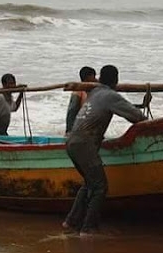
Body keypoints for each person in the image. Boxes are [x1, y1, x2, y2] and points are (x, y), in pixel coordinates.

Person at [63, 65, 151, 237]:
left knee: (89, 184)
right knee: (100, 187)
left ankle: (71, 222)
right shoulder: (110, 95)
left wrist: (141, 104)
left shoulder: (95, 93)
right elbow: (136, 117)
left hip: (72, 143)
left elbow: (121, 107)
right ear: (116, 80)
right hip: (84, 145)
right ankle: (88, 229)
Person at [66, 66, 97, 134]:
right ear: (86, 79)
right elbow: (72, 111)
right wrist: (69, 131)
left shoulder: (95, 90)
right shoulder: (78, 92)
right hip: (80, 125)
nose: (95, 80)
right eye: (93, 77)